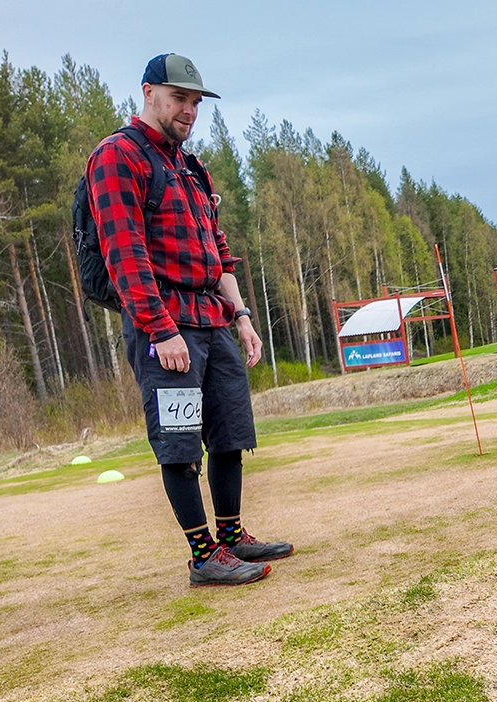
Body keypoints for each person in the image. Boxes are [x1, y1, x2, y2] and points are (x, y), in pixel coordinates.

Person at [87, 53, 291, 586]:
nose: (189, 110)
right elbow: (124, 254)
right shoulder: (117, 156)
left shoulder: (191, 166)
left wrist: (241, 316)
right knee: (179, 442)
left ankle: (231, 537)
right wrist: (161, 330)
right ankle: (203, 557)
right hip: (165, 323)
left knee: (230, 432)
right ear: (148, 92)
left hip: (212, 318)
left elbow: (218, 251)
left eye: (196, 102)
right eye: (179, 98)